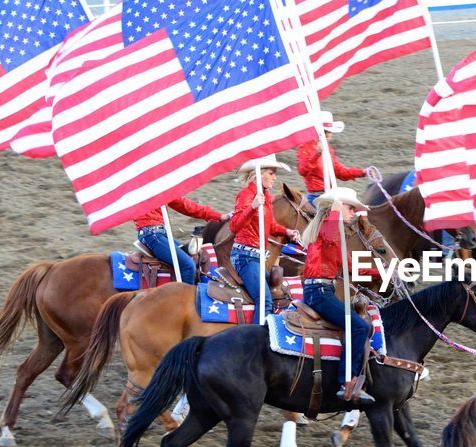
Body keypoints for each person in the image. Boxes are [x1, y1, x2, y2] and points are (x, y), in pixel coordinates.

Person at [300, 186, 375, 404]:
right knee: (359, 327)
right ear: (339, 207)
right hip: (320, 292)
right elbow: (332, 235)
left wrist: (383, 271)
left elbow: (349, 263)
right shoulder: (329, 227)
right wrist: (335, 211)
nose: (353, 213)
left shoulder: (328, 231)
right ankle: (346, 382)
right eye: (350, 208)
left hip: (319, 290)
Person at [229, 155, 302, 323]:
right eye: (271, 173)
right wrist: (253, 207)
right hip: (245, 257)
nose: (275, 177)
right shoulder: (245, 195)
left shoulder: (266, 196)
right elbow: (234, 226)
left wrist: (287, 231)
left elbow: (270, 225)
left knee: (276, 296)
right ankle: (256, 340)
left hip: (256, 257)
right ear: (259, 173)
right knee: (265, 301)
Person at [133, 197, 225, 284]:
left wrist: (218, 216)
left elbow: (185, 205)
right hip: (153, 234)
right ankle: (185, 299)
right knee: (188, 266)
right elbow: (186, 206)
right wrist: (219, 216)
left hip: (161, 234)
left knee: (192, 258)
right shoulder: (156, 187)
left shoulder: (157, 187)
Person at [296, 135, 365, 204]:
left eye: (329, 132)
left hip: (330, 193)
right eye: (325, 131)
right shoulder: (305, 147)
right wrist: (317, 153)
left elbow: (340, 171)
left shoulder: (328, 147)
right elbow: (302, 170)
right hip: (317, 196)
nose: (328, 135)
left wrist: (363, 172)